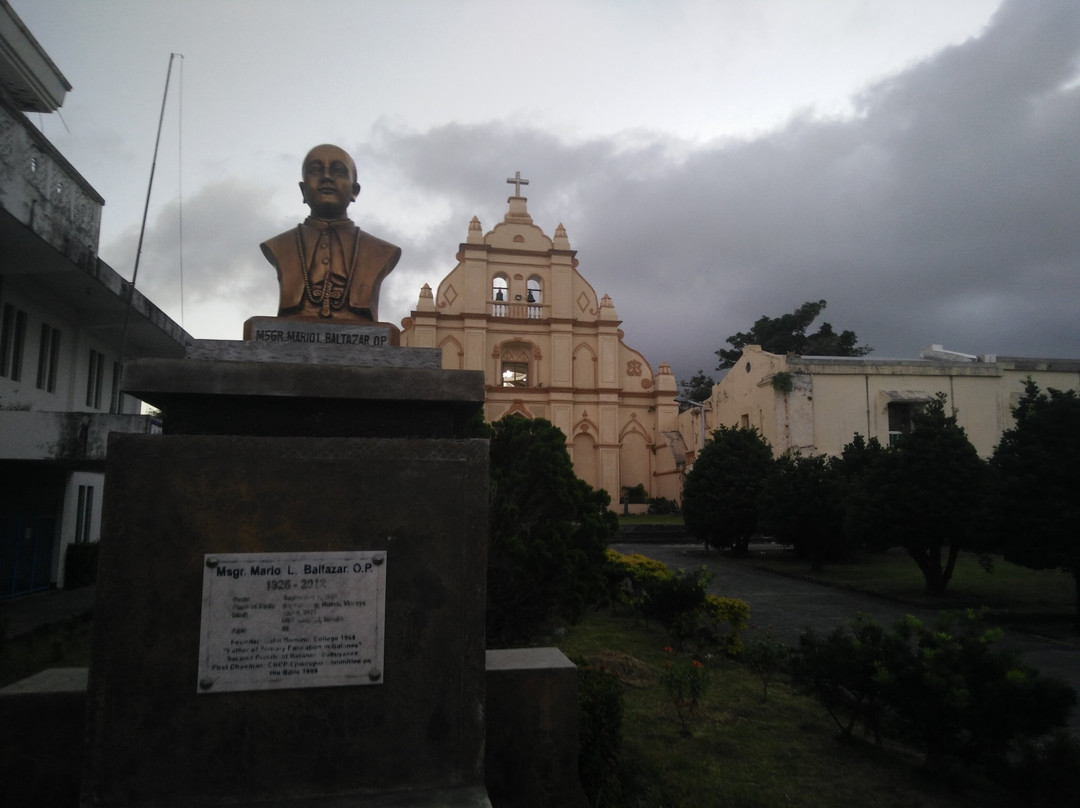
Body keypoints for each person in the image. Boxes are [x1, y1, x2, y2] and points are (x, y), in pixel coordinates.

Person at [260, 144, 400, 322]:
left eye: (339, 171)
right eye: (316, 170)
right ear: (303, 190)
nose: (326, 177)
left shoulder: (380, 251)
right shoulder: (280, 246)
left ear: (354, 191)